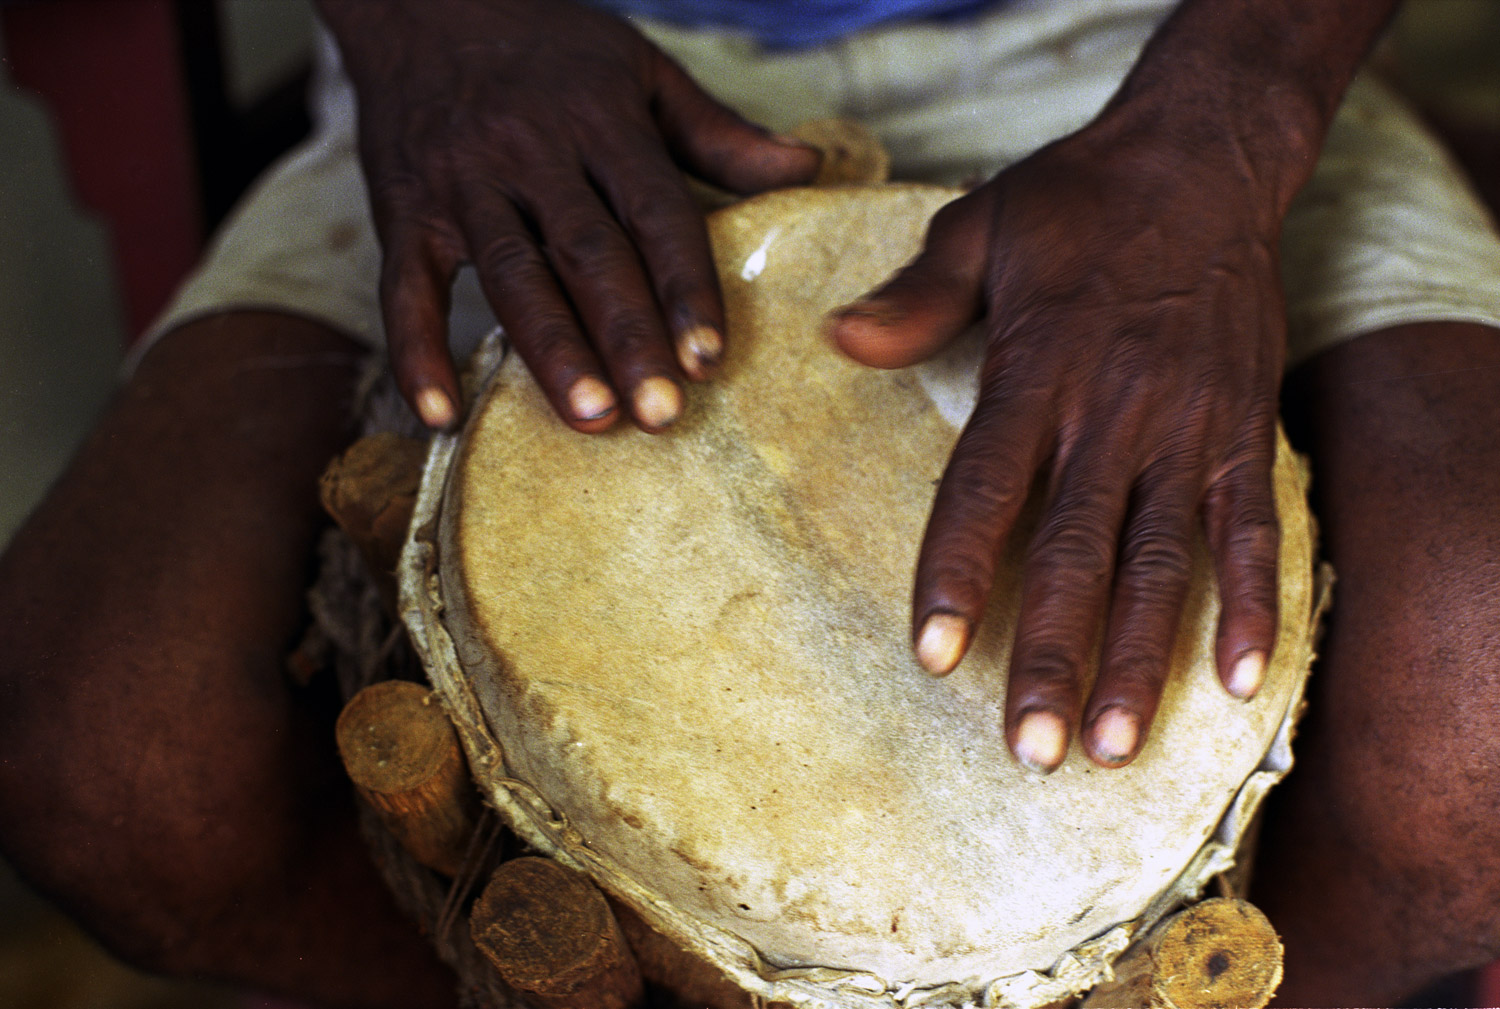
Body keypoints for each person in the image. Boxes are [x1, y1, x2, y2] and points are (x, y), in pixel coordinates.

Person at [0, 0, 1497, 1005]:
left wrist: (1230, 129)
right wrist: (426, 35)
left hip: (1160, 56)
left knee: (1480, 727)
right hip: (531, 62)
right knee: (108, 750)